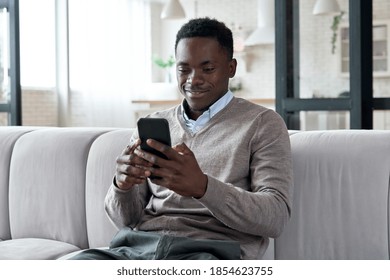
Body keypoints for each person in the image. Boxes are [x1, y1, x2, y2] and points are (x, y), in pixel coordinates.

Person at [71, 17, 292, 260]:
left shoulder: (262, 123)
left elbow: (275, 218)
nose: (193, 79)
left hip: (209, 253)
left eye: (207, 69)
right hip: (140, 249)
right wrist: (121, 187)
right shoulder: (154, 124)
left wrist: (203, 188)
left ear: (231, 68)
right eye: (183, 69)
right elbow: (126, 220)